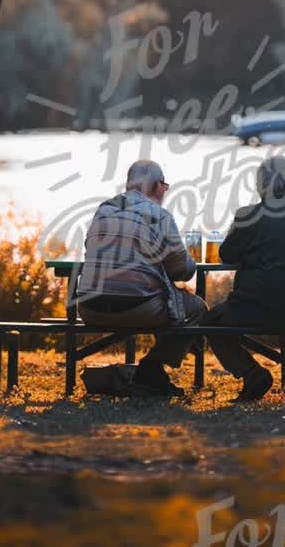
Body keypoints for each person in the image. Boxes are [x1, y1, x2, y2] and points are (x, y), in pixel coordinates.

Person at [203, 156, 285, 402]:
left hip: (260, 307)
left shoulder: (248, 216)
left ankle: (252, 373)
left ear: (259, 185)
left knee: (211, 321)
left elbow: (227, 254)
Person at [74, 159, 207, 396]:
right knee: (196, 308)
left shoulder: (103, 210)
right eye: (165, 187)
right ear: (157, 186)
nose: (165, 192)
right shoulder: (160, 216)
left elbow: (89, 250)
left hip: (88, 307)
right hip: (139, 309)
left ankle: (149, 375)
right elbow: (182, 270)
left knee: (163, 297)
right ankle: (151, 369)